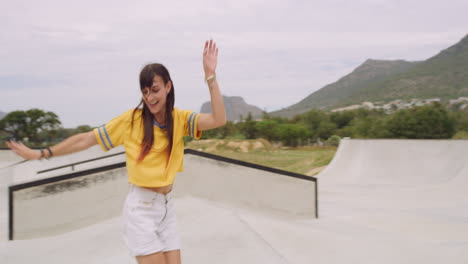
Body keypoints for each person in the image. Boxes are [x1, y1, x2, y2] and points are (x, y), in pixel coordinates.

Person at [6, 39, 226, 264]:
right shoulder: (130, 121)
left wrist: (210, 76)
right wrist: (42, 153)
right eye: (145, 92)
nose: (150, 98)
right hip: (142, 210)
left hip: (167, 208)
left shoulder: (179, 119)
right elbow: (87, 139)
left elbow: (218, 119)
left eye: (156, 90)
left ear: (168, 87)